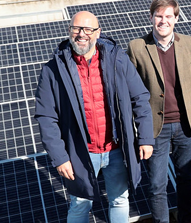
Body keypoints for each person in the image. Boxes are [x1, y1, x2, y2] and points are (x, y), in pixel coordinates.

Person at [34, 12, 154, 223]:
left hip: (116, 149)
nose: (82, 34)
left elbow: (140, 98)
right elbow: (46, 117)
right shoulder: (53, 70)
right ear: (69, 31)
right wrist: (60, 157)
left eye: (88, 29)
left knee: (119, 199)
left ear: (98, 33)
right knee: (80, 205)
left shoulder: (118, 60)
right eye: (76, 28)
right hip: (81, 153)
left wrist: (145, 137)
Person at [127, 0, 191, 223]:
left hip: (184, 125)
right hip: (154, 129)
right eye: (159, 16)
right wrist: (139, 132)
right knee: (158, 185)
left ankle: (186, 218)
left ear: (176, 19)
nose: (163, 21)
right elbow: (131, 93)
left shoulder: (189, 43)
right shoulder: (137, 47)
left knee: (186, 178)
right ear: (151, 18)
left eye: (169, 16)